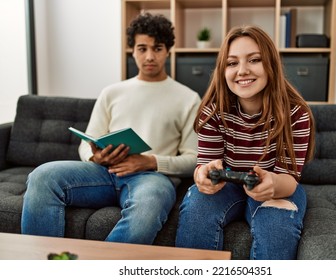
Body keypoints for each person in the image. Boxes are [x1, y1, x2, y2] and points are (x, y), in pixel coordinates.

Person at [21, 13, 201, 245]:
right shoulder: (112, 92)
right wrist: (95, 157)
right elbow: (86, 144)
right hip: (104, 174)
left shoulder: (188, 98)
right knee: (42, 175)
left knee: (150, 202)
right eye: (142, 48)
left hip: (151, 178)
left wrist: (150, 161)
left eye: (157, 48)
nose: (149, 56)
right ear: (132, 50)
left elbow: (194, 159)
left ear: (167, 51)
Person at [175, 25, 315, 259]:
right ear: (223, 70)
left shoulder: (296, 113)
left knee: (277, 228)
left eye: (254, 60)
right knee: (196, 210)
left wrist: (272, 183)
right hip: (226, 186)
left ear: (271, 64)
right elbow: (207, 164)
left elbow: (289, 180)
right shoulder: (213, 112)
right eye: (232, 63)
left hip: (276, 185)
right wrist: (202, 175)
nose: (242, 70)